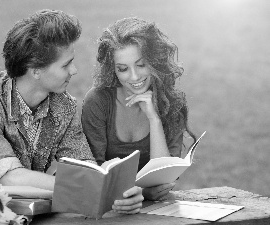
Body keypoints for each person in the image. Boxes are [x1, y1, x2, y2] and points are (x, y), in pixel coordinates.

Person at [0, 10, 143, 214]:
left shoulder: (63, 105)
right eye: (66, 64)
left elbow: (84, 169)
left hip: (25, 213)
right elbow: (9, 177)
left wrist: (117, 189)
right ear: (35, 70)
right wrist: (90, 186)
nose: (74, 70)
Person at [81, 17, 197, 201]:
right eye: (123, 69)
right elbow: (93, 172)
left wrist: (154, 120)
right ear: (113, 69)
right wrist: (141, 191)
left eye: (141, 65)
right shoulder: (98, 101)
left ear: (154, 60)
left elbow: (165, 176)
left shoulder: (171, 103)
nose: (134, 77)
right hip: (109, 207)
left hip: (157, 212)